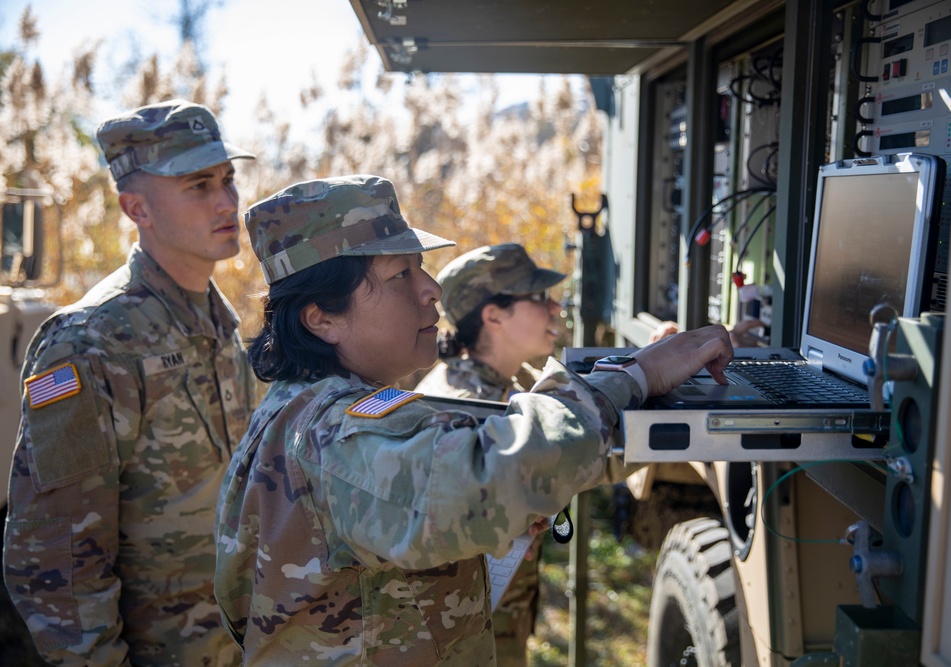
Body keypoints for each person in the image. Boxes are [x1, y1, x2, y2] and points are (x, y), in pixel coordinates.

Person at [215, 174, 733, 665]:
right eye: (401, 275)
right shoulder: (335, 433)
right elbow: (482, 477)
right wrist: (633, 378)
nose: (431, 289)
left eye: (420, 267)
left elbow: (498, 449)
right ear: (321, 318)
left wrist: (641, 384)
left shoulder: (321, 408)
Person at [3, 99, 257, 666]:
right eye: (198, 186)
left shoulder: (220, 326)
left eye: (227, 179)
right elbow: (57, 561)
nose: (227, 201)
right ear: (135, 207)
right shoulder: (91, 344)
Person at [414, 243, 566, 666]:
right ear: (493, 315)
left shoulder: (503, 380)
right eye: (537, 298)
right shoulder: (462, 409)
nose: (555, 307)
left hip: (494, 615)